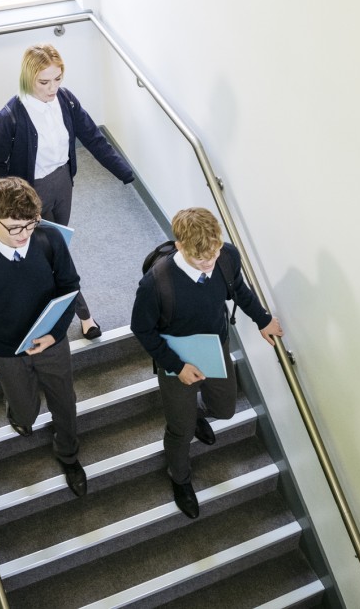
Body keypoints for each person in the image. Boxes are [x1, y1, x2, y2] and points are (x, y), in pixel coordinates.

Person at [130, 207, 283, 518]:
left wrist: (263, 320)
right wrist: (176, 365)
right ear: (180, 246)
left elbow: (238, 289)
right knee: (181, 429)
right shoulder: (155, 283)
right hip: (176, 357)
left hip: (215, 346)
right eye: (200, 259)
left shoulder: (226, 256)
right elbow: (142, 329)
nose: (209, 263)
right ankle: (180, 477)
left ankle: (197, 414)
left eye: (212, 254)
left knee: (225, 408)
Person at [0, 43, 135, 339]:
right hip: (30, 193)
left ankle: (55, 303)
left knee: (53, 250)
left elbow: (93, 136)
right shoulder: (9, 116)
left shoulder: (66, 100)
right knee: (56, 252)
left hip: (62, 183)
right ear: (28, 79)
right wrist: (14, 203)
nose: (53, 88)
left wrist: (124, 172)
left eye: (58, 79)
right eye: (44, 82)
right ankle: (84, 315)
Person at [0, 177, 88, 497]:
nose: (24, 235)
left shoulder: (49, 237)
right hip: (6, 347)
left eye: (30, 225)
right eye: (15, 228)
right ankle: (19, 412)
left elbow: (71, 287)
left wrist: (55, 334)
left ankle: (69, 455)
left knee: (65, 402)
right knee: (25, 411)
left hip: (50, 341)